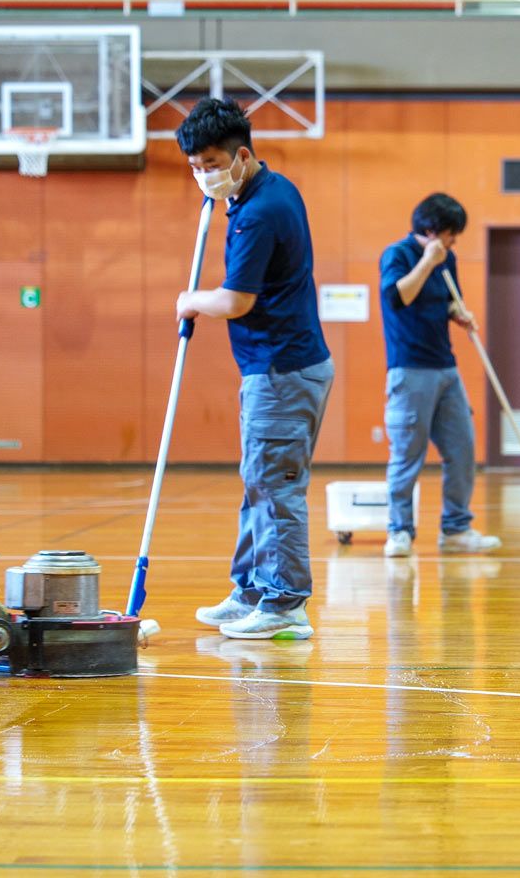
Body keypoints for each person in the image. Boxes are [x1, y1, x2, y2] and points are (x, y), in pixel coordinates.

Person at [177, 98, 334, 641]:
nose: (204, 176)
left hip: (283, 371)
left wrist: (191, 299)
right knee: (258, 483)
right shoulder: (267, 190)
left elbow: (237, 301)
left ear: (241, 155)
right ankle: (250, 589)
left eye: (212, 165)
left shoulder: (261, 212)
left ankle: (285, 601)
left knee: (275, 487)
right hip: (274, 368)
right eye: (195, 167)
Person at [377, 194, 501, 558]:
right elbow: (398, 298)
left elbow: (449, 299)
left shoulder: (449, 259)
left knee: (462, 449)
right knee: (406, 455)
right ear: (431, 230)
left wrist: (458, 313)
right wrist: (428, 262)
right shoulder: (397, 255)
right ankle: (399, 531)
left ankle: (456, 528)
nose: (453, 242)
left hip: (445, 367)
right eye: (450, 234)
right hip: (409, 369)